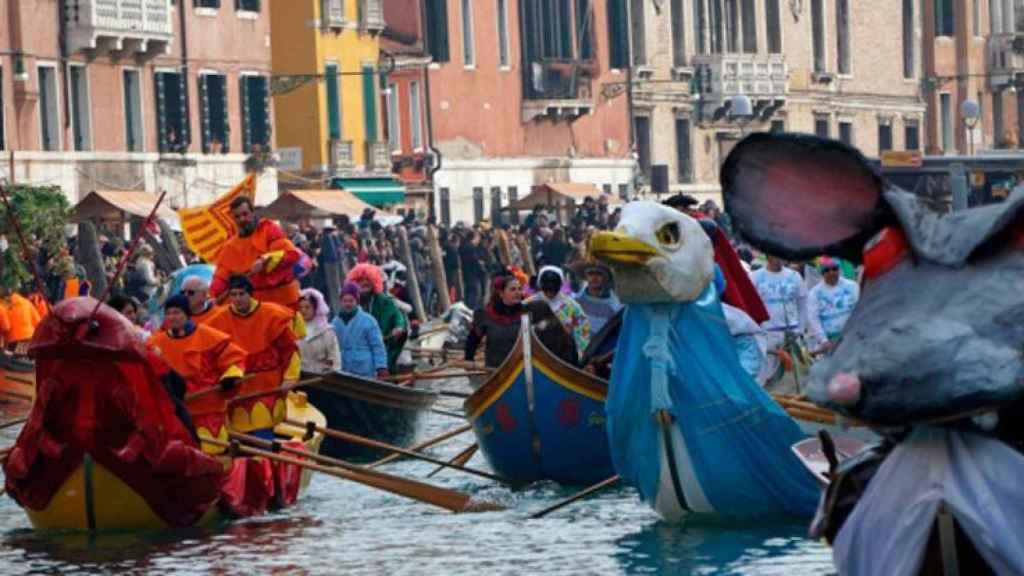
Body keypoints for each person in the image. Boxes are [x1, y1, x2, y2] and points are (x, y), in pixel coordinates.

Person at [147, 295, 246, 452]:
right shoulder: (154, 343)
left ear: (187, 314)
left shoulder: (210, 336)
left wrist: (230, 377)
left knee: (212, 453)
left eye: (177, 312)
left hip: (207, 409)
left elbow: (234, 360)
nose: (172, 317)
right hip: (173, 412)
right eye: (169, 313)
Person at [206, 275, 302, 437]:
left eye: (241, 294)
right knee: (241, 438)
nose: (237, 299)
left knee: (264, 433)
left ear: (250, 294)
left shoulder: (272, 315)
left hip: (267, 385)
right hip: (237, 388)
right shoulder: (218, 320)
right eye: (234, 294)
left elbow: (290, 351)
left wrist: (290, 378)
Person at [209, 196, 304, 310]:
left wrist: (264, 260)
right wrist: (211, 295)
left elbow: (290, 254)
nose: (242, 219)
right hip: (254, 306)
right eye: (237, 216)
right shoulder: (229, 246)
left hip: (283, 302)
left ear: (253, 212)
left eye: (245, 214)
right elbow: (221, 277)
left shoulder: (269, 230)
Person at [346, 263, 407, 374]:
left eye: (367, 279)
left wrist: (398, 327)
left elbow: (398, 316)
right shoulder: (351, 303)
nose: (364, 283)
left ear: (374, 281)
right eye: (360, 281)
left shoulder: (384, 300)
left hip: (386, 343)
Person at [464, 275, 527, 369]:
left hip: (522, 365)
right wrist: (469, 360)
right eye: (513, 289)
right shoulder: (485, 314)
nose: (518, 292)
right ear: (501, 294)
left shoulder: (527, 312)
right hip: (494, 368)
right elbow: (472, 340)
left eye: (519, 289)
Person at [527, 266, 591, 355]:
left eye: (553, 290)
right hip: (536, 354)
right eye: (547, 289)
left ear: (560, 285)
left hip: (564, 354)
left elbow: (583, 330)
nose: (550, 293)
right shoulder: (529, 304)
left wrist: (580, 353)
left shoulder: (572, 306)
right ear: (540, 285)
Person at [332, 282, 389, 379]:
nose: (348, 304)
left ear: (357, 301)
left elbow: (377, 346)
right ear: (341, 302)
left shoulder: (369, 320)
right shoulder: (335, 322)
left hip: (365, 369)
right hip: (343, 369)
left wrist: (381, 366)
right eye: (345, 301)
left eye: (351, 300)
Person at [806, 257, 860, 353]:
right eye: (827, 270)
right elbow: (813, 318)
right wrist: (823, 340)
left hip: (852, 336)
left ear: (839, 269)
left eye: (834, 269)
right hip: (831, 340)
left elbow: (860, 309)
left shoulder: (852, 286)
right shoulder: (814, 293)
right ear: (822, 273)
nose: (831, 272)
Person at [298, 288, 341, 374]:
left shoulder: (326, 331)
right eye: (300, 307)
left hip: (322, 380)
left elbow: (335, 359)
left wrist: (331, 374)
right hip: (301, 379)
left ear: (315, 308)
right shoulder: (293, 330)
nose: (303, 311)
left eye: (307, 307)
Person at [574, 263, 622, 334]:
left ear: (606, 277)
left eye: (599, 274)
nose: (594, 278)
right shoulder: (575, 301)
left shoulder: (616, 306)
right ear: (586, 277)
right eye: (591, 274)